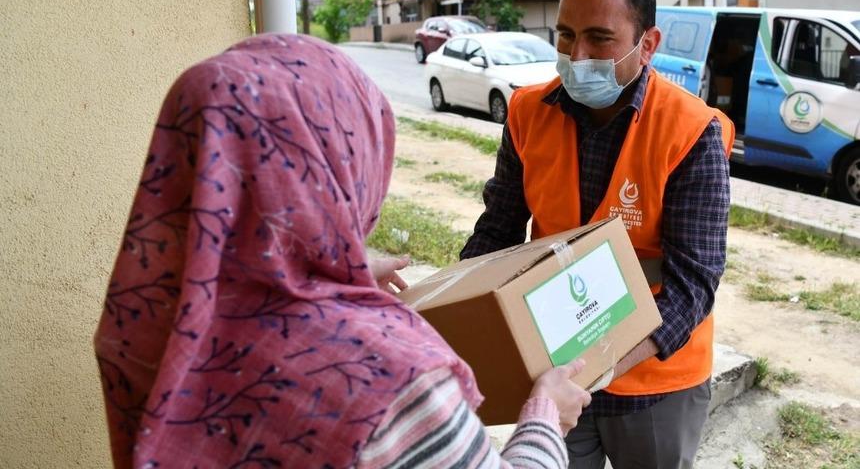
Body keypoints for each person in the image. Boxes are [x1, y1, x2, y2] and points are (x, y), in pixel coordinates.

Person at [93, 33, 592, 468]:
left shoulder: (145, 321)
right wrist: (545, 420)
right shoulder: (386, 379)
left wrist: (326, 279)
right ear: (343, 161)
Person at [460, 0, 734, 467]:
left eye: (599, 38)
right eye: (565, 35)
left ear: (646, 44)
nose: (576, 55)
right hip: (552, 370)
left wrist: (598, 366)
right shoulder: (528, 113)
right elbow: (496, 232)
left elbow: (693, 284)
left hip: (653, 377)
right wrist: (456, 311)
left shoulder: (690, 131)